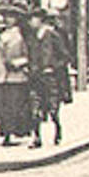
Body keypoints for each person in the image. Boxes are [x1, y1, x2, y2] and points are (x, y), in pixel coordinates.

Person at [0, 2, 35, 146]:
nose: (7, 19)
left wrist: (18, 63)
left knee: (14, 106)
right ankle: (5, 132)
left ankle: (13, 133)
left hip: (16, 76)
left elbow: (29, 55)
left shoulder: (23, 35)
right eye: (5, 16)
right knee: (2, 106)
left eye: (11, 17)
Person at [28, 9, 71, 147]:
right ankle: (37, 138)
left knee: (53, 109)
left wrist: (53, 66)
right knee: (35, 108)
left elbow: (64, 56)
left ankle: (57, 131)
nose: (31, 22)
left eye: (33, 19)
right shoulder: (32, 37)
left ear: (40, 20)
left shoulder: (52, 35)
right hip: (35, 77)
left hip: (50, 78)